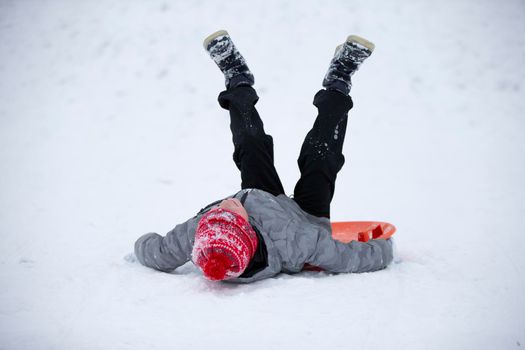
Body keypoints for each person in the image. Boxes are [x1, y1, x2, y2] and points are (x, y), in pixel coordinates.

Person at [134, 30, 393, 283]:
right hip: (307, 218)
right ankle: (339, 81)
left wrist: (140, 245)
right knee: (320, 154)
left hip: (262, 200)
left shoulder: (202, 231)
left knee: (251, 144)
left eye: (215, 215)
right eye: (230, 215)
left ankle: (237, 78)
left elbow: (159, 252)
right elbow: (347, 258)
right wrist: (384, 249)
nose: (223, 206)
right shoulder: (297, 242)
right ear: (247, 231)